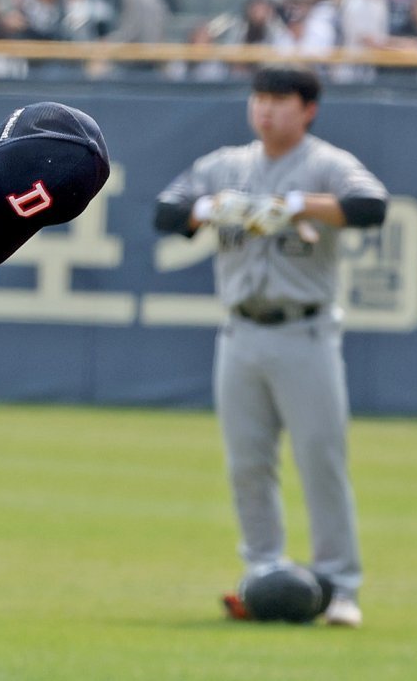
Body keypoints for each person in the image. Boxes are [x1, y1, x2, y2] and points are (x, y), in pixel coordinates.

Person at [153, 64, 389, 629]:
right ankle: (263, 573)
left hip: (305, 331)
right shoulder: (226, 165)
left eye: (280, 100)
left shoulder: (327, 163)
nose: (266, 110)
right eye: (259, 98)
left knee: (320, 459)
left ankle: (340, 586)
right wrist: (210, 209)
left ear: (308, 109)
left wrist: (299, 205)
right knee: (247, 464)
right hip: (239, 332)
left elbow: (370, 206)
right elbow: (166, 211)